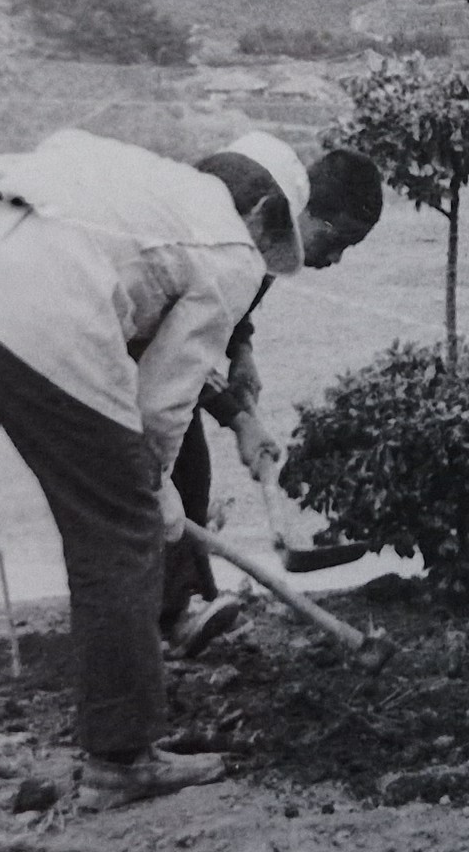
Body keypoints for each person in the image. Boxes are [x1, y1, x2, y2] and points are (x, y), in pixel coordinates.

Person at [0, 127, 305, 808]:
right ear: (261, 213)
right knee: (119, 533)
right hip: (44, 311)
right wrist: (151, 489)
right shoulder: (232, 248)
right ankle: (121, 756)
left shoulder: (106, 162)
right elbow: (163, 401)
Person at [156, 144, 385, 655]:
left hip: (165, 343)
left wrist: (241, 352)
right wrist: (240, 421)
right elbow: (179, 357)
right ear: (302, 212)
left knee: (189, 472)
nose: (335, 259)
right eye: (335, 240)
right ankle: (165, 618)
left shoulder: (271, 242)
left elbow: (234, 308)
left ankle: (185, 604)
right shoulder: (243, 226)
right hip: (127, 344)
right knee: (170, 467)